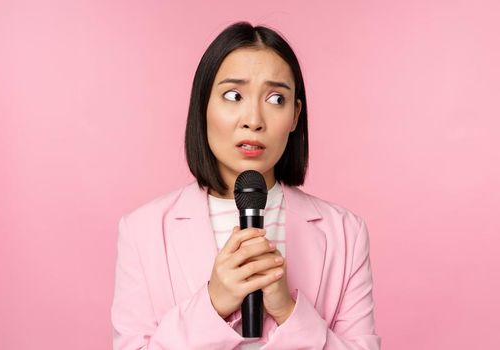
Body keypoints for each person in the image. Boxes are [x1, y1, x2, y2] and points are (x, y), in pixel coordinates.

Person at [110, 22, 380, 349]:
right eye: (233, 95)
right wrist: (213, 303)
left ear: (295, 115)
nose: (253, 119)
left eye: (276, 98)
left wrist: (287, 311)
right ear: (203, 104)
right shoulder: (143, 230)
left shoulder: (346, 233)